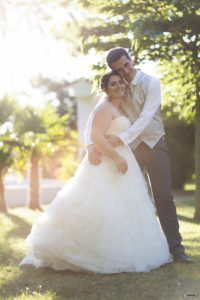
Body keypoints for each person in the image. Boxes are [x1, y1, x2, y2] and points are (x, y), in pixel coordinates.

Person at [20, 70, 171, 273]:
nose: (119, 86)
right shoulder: (104, 108)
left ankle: (125, 248)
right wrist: (116, 156)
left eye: (121, 83)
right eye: (113, 84)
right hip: (108, 163)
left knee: (125, 208)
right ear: (105, 89)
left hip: (123, 162)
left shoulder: (118, 107)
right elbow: (96, 135)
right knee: (101, 206)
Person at [86, 47, 192, 263]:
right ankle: (133, 250)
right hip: (130, 151)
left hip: (154, 145)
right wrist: (89, 144)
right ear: (112, 70)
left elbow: (145, 118)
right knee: (132, 200)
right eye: (118, 69)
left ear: (131, 60)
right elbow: (95, 116)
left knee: (164, 197)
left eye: (126, 64)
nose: (125, 71)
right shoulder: (116, 87)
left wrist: (123, 137)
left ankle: (177, 250)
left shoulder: (152, 83)